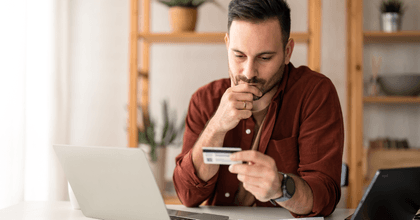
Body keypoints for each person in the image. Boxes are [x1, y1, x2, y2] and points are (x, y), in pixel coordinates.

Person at [173, 0, 344, 217]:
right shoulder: (205, 99)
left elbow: (324, 197)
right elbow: (187, 195)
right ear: (227, 45)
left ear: (288, 51)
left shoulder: (315, 93)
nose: (249, 72)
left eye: (264, 58)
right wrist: (215, 127)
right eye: (239, 55)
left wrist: (280, 188)